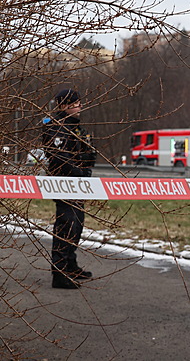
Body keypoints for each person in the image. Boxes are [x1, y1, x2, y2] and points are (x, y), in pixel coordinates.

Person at [42, 89, 96, 289]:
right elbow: (58, 158)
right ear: (64, 106)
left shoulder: (77, 128)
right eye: (76, 103)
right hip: (64, 183)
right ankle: (59, 272)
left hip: (78, 184)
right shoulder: (55, 127)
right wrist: (78, 170)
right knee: (66, 224)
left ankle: (70, 265)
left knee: (77, 223)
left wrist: (85, 168)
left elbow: (90, 153)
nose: (80, 107)